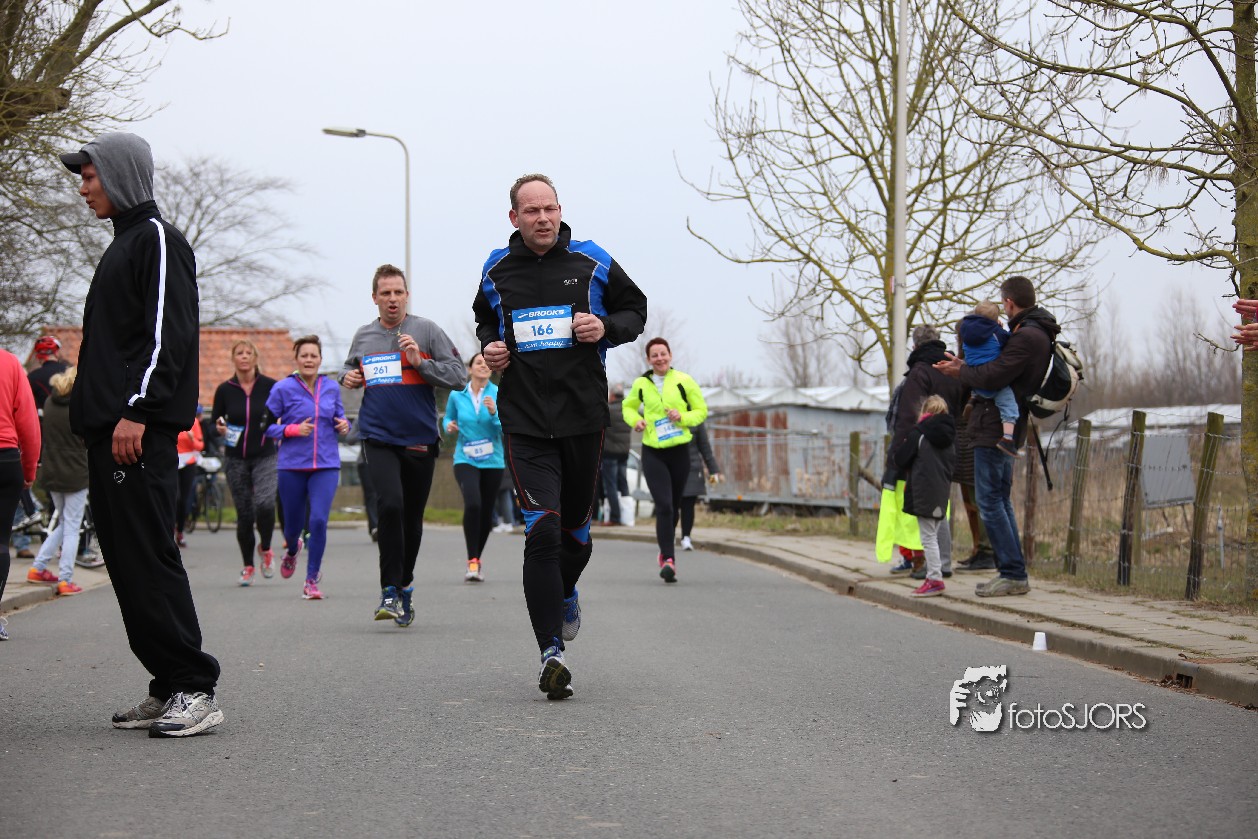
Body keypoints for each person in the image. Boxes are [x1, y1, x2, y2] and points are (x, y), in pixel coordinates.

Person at [60, 132, 222, 735]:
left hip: (136, 432)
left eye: (89, 176)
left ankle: (195, 686)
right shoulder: (124, 244)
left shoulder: (156, 239)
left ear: (120, 174)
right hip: (110, 432)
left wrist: (137, 410)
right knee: (126, 564)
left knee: (149, 557)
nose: (83, 188)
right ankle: (167, 681)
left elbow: (165, 337)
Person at [472, 173, 647, 700]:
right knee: (542, 531)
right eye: (532, 211)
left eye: (549, 208)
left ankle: (567, 590)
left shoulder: (592, 260)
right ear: (514, 218)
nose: (543, 218)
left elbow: (635, 310)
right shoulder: (496, 269)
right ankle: (551, 653)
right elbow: (485, 321)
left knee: (575, 535)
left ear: (560, 210)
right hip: (524, 421)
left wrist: (606, 328)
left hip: (583, 419)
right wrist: (491, 348)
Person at [341, 264, 466, 626]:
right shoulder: (364, 336)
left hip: (419, 437)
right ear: (375, 298)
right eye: (386, 293)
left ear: (407, 295)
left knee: (411, 520)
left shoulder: (426, 330)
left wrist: (420, 363)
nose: (392, 299)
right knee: (390, 505)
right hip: (378, 435)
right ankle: (388, 591)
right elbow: (348, 369)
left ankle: (405, 584)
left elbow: (458, 375)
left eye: (398, 292)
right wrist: (348, 377)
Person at [935, 275, 1056, 598]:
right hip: (1004, 425)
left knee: (990, 502)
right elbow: (993, 370)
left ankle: (1013, 574)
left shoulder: (1027, 336)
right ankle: (1011, 572)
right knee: (999, 501)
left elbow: (992, 376)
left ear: (1009, 302)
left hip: (994, 427)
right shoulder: (1034, 332)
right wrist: (965, 365)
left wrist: (961, 371)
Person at [264, 335, 349, 601]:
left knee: (319, 520)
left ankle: (311, 579)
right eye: (304, 356)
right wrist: (291, 430)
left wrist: (344, 425)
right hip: (291, 465)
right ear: (297, 360)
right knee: (292, 527)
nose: (309, 360)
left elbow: (340, 417)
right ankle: (292, 550)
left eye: (314, 356)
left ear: (320, 359)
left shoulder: (331, 387)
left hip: (326, 464)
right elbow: (265, 427)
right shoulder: (282, 389)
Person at [623, 337, 707, 583]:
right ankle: (668, 559)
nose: (659, 359)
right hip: (653, 451)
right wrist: (636, 421)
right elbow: (628, 407)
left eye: (663, 354)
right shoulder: (641, 384)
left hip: (679, 451)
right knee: (664, 506)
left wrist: (682, 416)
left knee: (674, 505)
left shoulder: (684, 381)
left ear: (670, 355)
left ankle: (666, 548)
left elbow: (701, 411)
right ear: (648, 360)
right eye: (654, 355)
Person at [212, 339, 279, 586]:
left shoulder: (270, 386)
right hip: (235, 457)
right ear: (233, 359)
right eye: (239, 353)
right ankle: (248, 566)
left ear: (255, 358)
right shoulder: (225, 389)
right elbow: (214, 421)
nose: (243, 356)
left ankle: (267, 548)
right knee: (245, 513)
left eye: (248, 352)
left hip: (265, 455)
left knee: (265, 504)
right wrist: (219, 427)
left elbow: (282, 413)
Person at [443, 352, 504, 583]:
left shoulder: (498, 393)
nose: (483, 366)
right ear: (470, 369)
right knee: (473, 503)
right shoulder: (457, 394)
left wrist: (494, 412)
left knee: (486, 511)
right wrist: (448, 425)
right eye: (479, 362)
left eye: (487, 363)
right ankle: (472, 559)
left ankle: (477, 558)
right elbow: (447, 418)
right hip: (465, 458)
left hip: (493, 460)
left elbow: (505, 427)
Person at [26, 367, 87, 596]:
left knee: (64, 521)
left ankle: (38, 567)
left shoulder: (50, 402)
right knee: (72, 527)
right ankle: (65, 579)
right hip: (76, 472)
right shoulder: (80, 406)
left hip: (52, 469)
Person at [894, 394, 956, 597]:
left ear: (925, 412)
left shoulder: (919, 433)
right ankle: (934, 576)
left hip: (923, 491)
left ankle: (934, 579)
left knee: (928, 538)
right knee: (933, 535)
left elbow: (901, 458)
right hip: (941, 490)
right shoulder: (950, 437)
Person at [0, 347, 41, 640]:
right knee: (1, 540)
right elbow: (28, 422)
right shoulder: (10, 363)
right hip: (5, 459)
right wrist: (29, 470)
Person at [959, 302, 1020, 457]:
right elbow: (1009, 342)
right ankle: (1007, 439)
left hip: (974, 379)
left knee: (973, 365)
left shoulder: (965, 330)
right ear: (996, 319)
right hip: (992, 382)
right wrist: (1005, 330)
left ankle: (972, 399)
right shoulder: (996, 333)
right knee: (1009, 406)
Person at [677, 420, 721, 551]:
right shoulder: (666, 416)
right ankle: (668, 535)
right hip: (672, 468)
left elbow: (705, 448)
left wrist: (713, 472)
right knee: (672, 504)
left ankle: (686, 537)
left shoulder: (695, 420)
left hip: (692, 469)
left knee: (688, 504)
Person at [600, 384, 631, 526]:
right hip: (624, 452)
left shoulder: (608, 411)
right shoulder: (628, 410)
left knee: (611, 485)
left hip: (610, 452)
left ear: (612, 395)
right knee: (623, 483)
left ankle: (615, 517)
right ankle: (627, 516)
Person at [174, 407, 204, 548]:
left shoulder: (194, 422)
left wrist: (192, 438)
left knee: (183, 500)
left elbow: (200, 445)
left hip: (188, 463)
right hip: (172, 461)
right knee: (175, 497)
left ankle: (180, 531)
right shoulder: (171, 418)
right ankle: (169, 530)